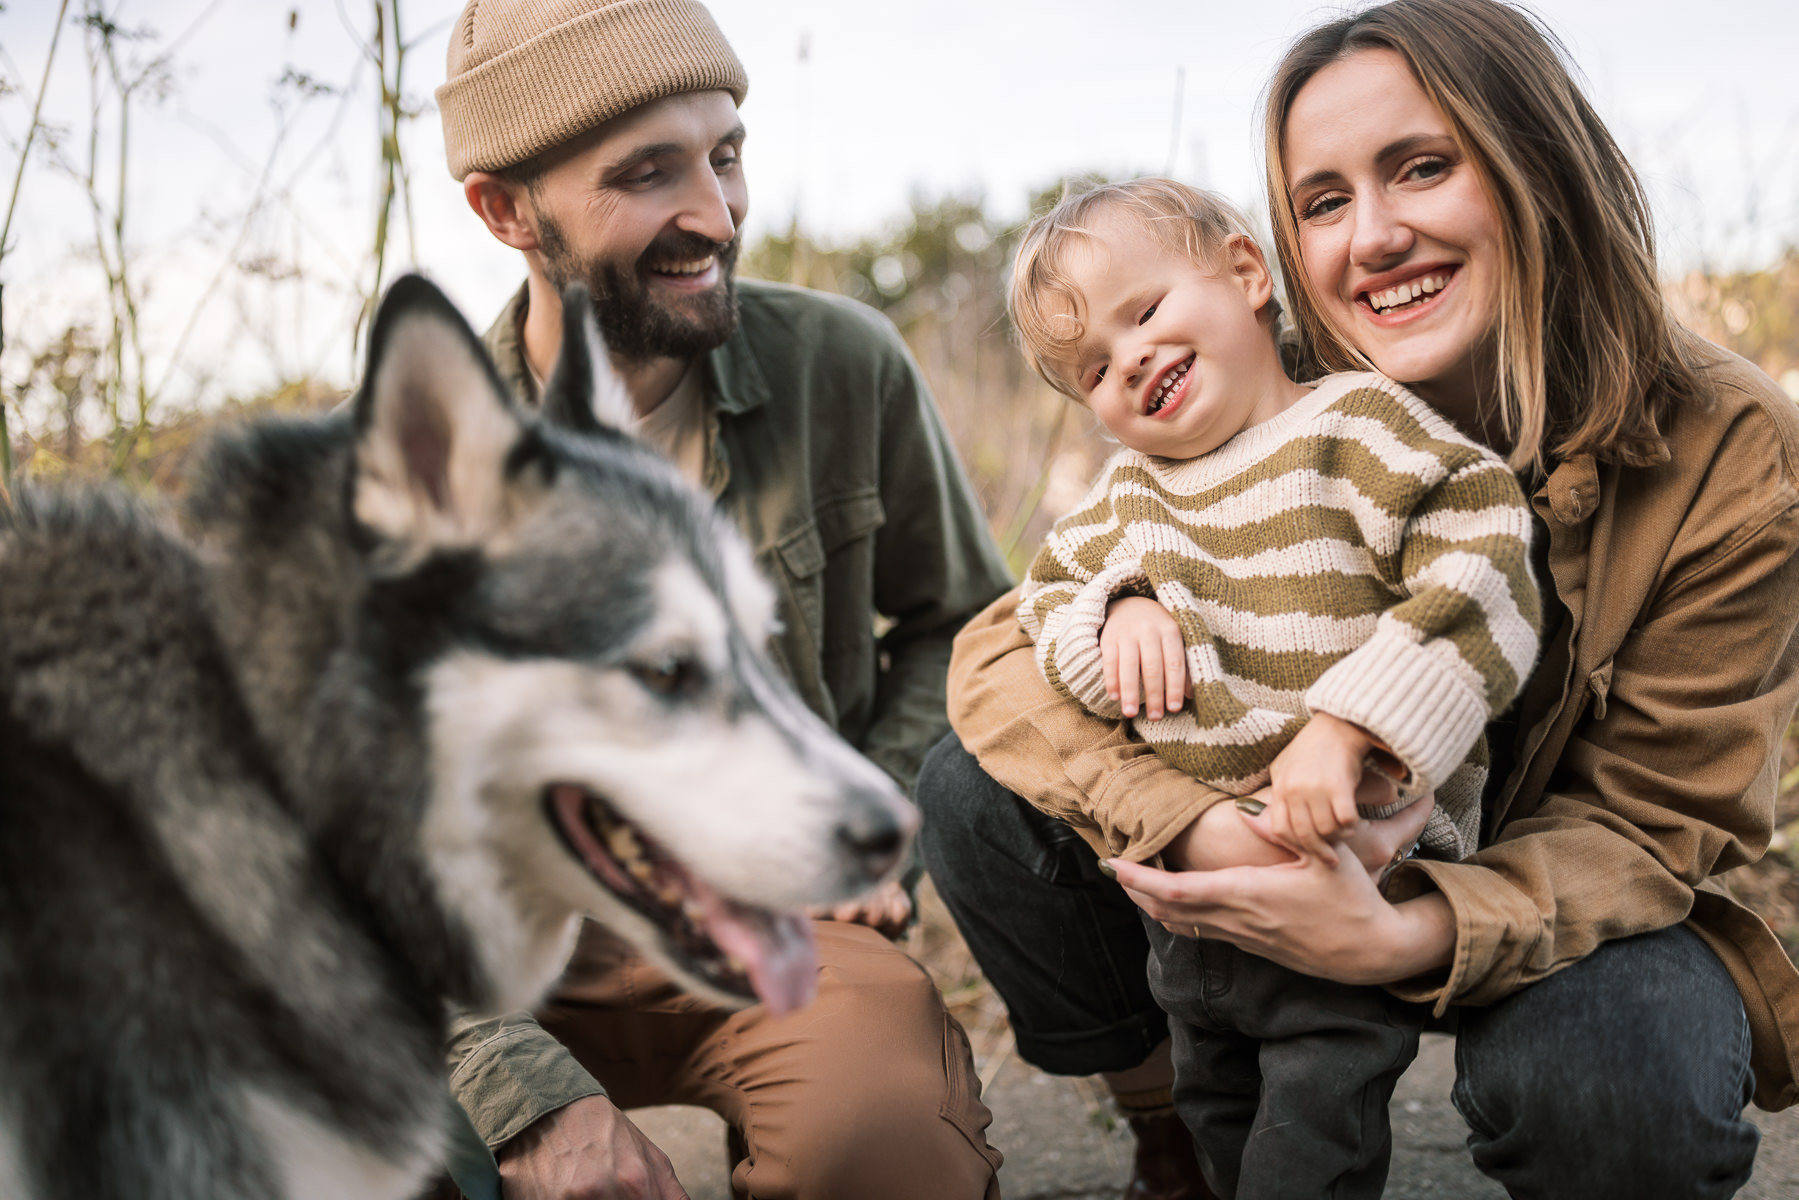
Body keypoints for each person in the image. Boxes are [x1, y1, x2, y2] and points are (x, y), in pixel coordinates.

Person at [918, 1, 1799, 1197]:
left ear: (1531, 159)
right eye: (1323, 202)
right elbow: (1000, 648)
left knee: (1615, 1083)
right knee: (975, 785)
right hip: (1264, 831)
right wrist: (1186, 809)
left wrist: (1399, 932)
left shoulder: (1727, 442)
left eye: (1421, 168)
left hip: (1547, 887)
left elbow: (1652, 819)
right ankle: (1166, 1125)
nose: (1372, 237)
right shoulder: (1247, 388)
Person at [431, 2, 1013, 1197]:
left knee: (891, 1151)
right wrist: (528, 1101)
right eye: (649, 173)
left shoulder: (841, 367)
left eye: (726, 153)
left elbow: (961, 622)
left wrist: (876, 819)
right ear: (504, 210)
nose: (717, 212)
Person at [1001, 176, 1540, 1196]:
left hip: (1349, 874)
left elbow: (1481, 561)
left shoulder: (1359, 429)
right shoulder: (1129, 496)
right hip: (1192, 908)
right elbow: (1044, 594)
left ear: (1246, 272)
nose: (1131, 361)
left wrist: (1352, 727)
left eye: (1145, 311)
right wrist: (1117, 608)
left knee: (1309, 1132)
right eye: (1094, 370)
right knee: (1216, 1108)